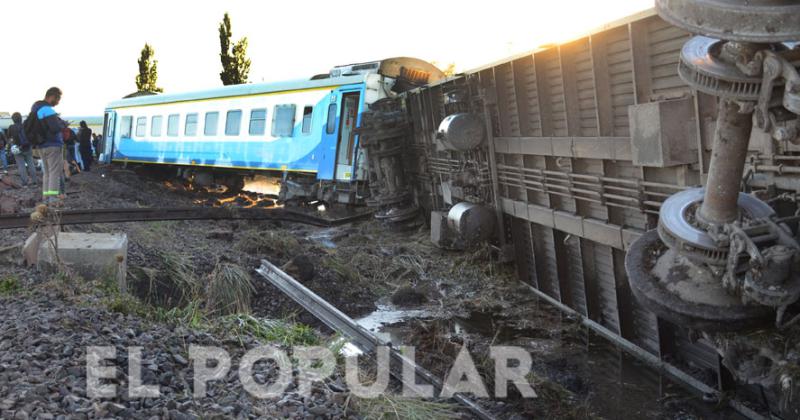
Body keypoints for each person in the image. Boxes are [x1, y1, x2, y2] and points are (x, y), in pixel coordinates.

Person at [32, 87, 67, 204]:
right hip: (52, 145)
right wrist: (62, 125)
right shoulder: (48, 109)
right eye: (58, 99)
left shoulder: (36, 108)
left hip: (41, 145)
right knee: (54, 172)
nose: (58, 102)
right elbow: (54, 128)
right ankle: (52, 199)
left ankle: (46, 198)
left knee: (47, 172)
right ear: (52, 96)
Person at [6, 112, 38, 187]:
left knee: (21, 166)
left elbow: (8, 137)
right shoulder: (25, 126)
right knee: (31, 164)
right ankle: (34, 181)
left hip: (17, 149)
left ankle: (25, 183)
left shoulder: (11, 127)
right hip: (27, 147)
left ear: (13, 119)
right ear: (20, 118)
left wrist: (11, 145)